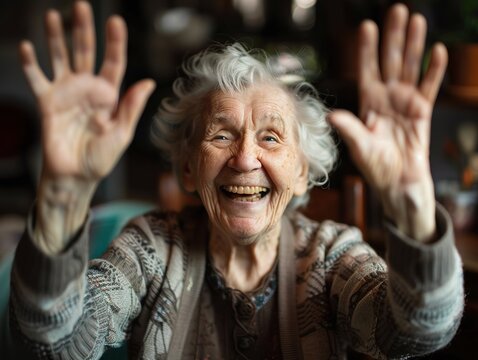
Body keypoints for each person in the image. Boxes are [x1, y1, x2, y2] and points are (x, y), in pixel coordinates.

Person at [9, 1, 463, 359]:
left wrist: (412, 202)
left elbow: (416, 331)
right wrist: (61, 197)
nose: (245, 158)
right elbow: (57, 342)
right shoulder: (151, 249)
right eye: (221, 134)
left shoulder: (331, 256)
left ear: (303, 173)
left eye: (270, 137)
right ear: (188, 168)